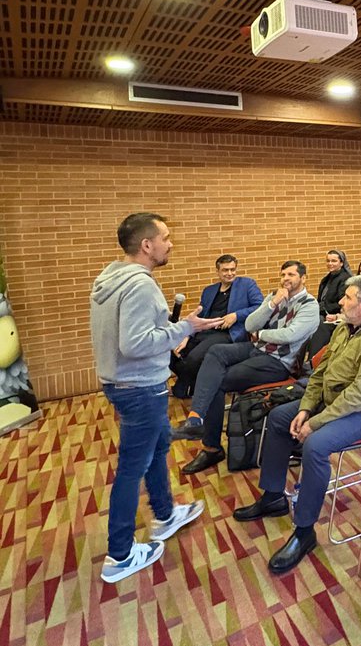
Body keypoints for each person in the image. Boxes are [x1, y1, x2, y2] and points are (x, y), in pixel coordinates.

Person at [233, 276, 361, 573]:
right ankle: (273, 496)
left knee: (315, 444)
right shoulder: (346, 328)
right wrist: (306, 408)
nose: (341, 302)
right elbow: (319, 374)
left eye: (347, 297)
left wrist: (315, 421)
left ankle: (304, 531)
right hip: (332, 402)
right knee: (279, 417)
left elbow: (359, 396)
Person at [90, 213, 219, 582]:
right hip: (140, 388)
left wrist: (173, 329)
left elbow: (135, 335)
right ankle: (119, 556)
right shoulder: (140, 285)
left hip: (125, 384)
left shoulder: (109, 278)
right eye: (165, 237)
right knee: (132, 468)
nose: (170, 243)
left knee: (159, 445)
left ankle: (164, 515)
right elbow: (134, 344)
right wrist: (184, 327)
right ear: (147, 245)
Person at [176, 261, 319, 472]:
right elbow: (249, 324)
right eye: (283, 275)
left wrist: (260, 334)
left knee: (217, 382)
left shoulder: (310, 305)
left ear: (303, 278)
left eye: (291, 275)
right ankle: (195, 418)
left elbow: (290, 335)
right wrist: (272, 304)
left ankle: (211, 448)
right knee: (215, 350)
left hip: (278, 362)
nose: (285, 279)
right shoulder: (275, 297)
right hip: (256, 349)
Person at [169, 255, 264, 398]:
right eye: (225, 270)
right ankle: (193, 383)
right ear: (217, 272)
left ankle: (182, 388)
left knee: (194, 358)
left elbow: (260, 306)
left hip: (228, 334)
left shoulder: (247, 284)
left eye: (233, 269)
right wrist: (187, 335)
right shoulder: (209, 291)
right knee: (171, 352)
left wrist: (236, 315)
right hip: (205, 331)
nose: (230, 273)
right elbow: (200, 317)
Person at [309, 249, 352, 357]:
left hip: (336, 316)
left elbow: (342, 303)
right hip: (322, 312)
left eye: (334, 261)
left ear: (341, 263)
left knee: (318, 324)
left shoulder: (345, 279)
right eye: (328, 261)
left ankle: (313, 359)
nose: (330, 263)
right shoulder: (326, 279)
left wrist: (322, 308)